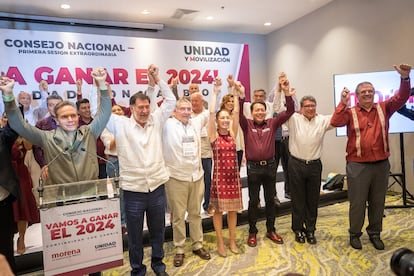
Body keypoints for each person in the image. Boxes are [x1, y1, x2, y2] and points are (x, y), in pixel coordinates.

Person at [330, 63, 411, 250]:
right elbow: (335, 122)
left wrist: (405, 78)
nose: (367, 94)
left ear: (374, 94)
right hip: (357, 166)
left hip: (381, 165)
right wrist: (342, 103)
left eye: (370, 91)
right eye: (363, 92)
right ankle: (355, 234)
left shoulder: (384, 107)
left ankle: (375, 233)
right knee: (357, 203)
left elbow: (402, 96)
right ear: (357, 96)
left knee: (378, 201)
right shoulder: (350, 112)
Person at [105, 64, 173, 276]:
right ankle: (138, 270)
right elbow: (103, 112)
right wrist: (101, 89)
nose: (144, 111)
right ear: (131, 108)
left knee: (158, 232)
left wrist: (158, 80)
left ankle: (158, 266)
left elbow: (171, 101)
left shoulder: (157, 119)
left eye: (147, 107)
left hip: (157, 189)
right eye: (140, 108)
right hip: (133, 191)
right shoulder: (121, 124)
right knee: (135, 236)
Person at [240, 78, 295, 247]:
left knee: (271, 200)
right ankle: (252, 231)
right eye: (256, 110)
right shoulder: (246, 124)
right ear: (252, 112)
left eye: (262, 110)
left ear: (265, 111)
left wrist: (287, 94)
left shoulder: (272, 123)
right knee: (253, 201)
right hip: (254, 169)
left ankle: (271, 229)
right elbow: (238, 113)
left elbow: (290, 111)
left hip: (270, 167)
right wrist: (241, 96)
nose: (259, 113)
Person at [163, 97, 210, 267]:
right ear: (174, 111)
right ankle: (180, 249)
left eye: (188, 109)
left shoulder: (195, 124)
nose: (186, 112)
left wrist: (217, 91)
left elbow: (208, 113)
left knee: (196, 213)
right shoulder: (166, 125)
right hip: (176, 178)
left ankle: (197, 245)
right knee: (178, 217)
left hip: (196, 177)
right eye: (182, 109)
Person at [285, 91, 334, 244]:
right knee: (298, 199)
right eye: (307, 106)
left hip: (314, 165)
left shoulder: (322, 120)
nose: (310, 108)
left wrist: (344, 102)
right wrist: (286, 93)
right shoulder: (293, 118)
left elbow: (338, 117)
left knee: (313, 200)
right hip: (296, 164)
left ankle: (310, 229)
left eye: (313, 106)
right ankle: (298, 229)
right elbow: (280, 109)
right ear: (301, 108)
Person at [207, 77, 243, 257]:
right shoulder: (213, 135)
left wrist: (235, 93)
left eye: (226, 117)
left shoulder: (233, 133)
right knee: (218, 211)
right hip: (219, 178)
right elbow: (211, 113)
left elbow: (236, 113)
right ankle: (220, 241)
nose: (225, 120)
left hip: (233, 179)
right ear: (218, 120)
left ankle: (232, 240)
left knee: (233, 211)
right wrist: (215, 92)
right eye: (222, 118)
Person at [272, 73, 300, 200]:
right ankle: (273, 195)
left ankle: (289, 191)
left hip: (288, 140)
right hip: (276, 141)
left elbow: (296, 107)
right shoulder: (276, 107)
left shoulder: (291, 108)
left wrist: (289, 91)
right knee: (273, 169)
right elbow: (276, 105)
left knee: (289, 168)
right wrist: (279, 86)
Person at [100, 104, 127, 234]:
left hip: (129, 160)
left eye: (119, 110)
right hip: (114, 161)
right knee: (119, 193)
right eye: (114, 110)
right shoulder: (106, 127)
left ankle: (129, 220)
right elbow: (110, 145)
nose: (117, 112)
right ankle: (122, 223)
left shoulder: (130, 124)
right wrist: (119, 130)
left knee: (130, 192)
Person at [11, 136, 40, 254]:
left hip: (21, 175)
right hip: (5, 172)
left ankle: (22, 238)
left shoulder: (20, 131)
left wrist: (23, 134)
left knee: (23, 209)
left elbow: (29, 146)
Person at [0, 112, 20, 274]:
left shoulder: (2, 137)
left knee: (5, 252)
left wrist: (8, 96)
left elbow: (13, 127)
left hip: (2, 206)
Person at [190, 92, 213, 213]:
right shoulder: (188, 114)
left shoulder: (207, 114)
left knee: (207, 180)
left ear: (202, 101)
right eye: (192, 101)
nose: (194, 103)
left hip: (205, 152)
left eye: (196, 101)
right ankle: (193, 208)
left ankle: (208, 204)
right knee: (192, 182)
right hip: (191, 154)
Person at [33, 94, 63, 171]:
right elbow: (37, 148)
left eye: (57, 105)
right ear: (47, 107)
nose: (55, 108)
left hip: (69, 164)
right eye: (51, 105)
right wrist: (43, 165)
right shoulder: (41, 124)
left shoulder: (71, 123)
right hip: (49, 166)